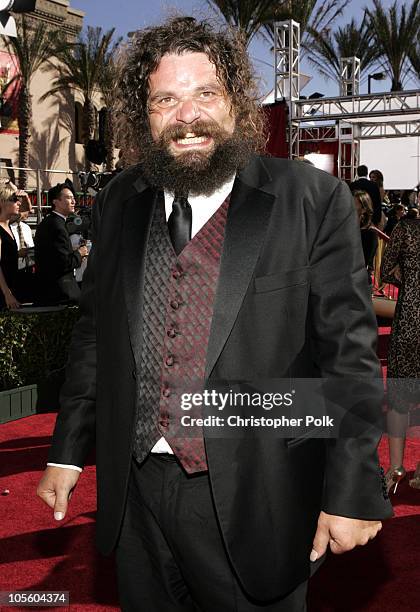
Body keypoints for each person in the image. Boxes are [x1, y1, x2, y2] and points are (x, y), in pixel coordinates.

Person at [37, 17, 392, 612]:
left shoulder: (310, 200)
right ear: (142, 114)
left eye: (205, 94)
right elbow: (96, 334)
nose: (188, 116)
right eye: (166, 100)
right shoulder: (120, 200)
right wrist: (67, 449)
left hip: (259, 493)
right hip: (136, 496)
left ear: (236, 103)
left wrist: (353, 489)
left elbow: (348, 357)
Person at [380, 215, 420, 493]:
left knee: (398, 398)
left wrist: (407, 279)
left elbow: (384, 270)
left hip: (409, 320)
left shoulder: (406, 229)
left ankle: (396, 468)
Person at [34, 183, 88, 305]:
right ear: (55, 202)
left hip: (51, 292)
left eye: (73, 198)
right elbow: (64, 263)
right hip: (61, 295)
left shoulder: (51, 222)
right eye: (69, 198)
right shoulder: (57, 226)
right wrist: (80, 253)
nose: (73, 201)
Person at [0, 179, 21, 310]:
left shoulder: (8, 224)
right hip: (2, 293)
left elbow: (26, 208)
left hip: (11, 286)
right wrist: (7, 294)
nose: (18, 202)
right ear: (2, 203)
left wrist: (11, 185)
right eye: (13, 199)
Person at [11, 192, 35, 303]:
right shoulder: (5, 228)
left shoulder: (26, 228)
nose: (19, 204)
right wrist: (17, 254)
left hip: (28, 274)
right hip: (11, 275)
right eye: (16, 201)